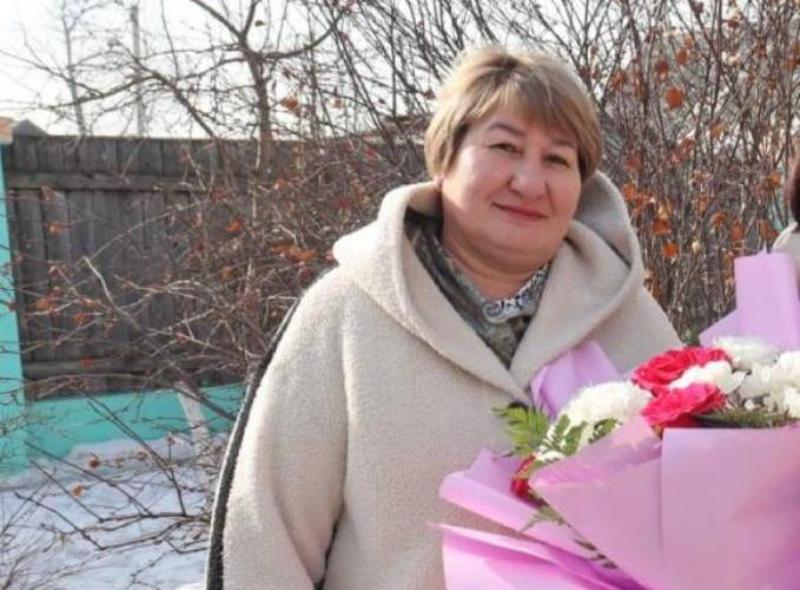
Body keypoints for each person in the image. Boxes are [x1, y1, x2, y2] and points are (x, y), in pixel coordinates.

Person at [205, 46, 680, 589]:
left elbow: (694, 523)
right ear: (444, 157)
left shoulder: (631, 320)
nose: (529, 181)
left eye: (557, 159)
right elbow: (264, 540)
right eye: (504, 147)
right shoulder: (345, 315)